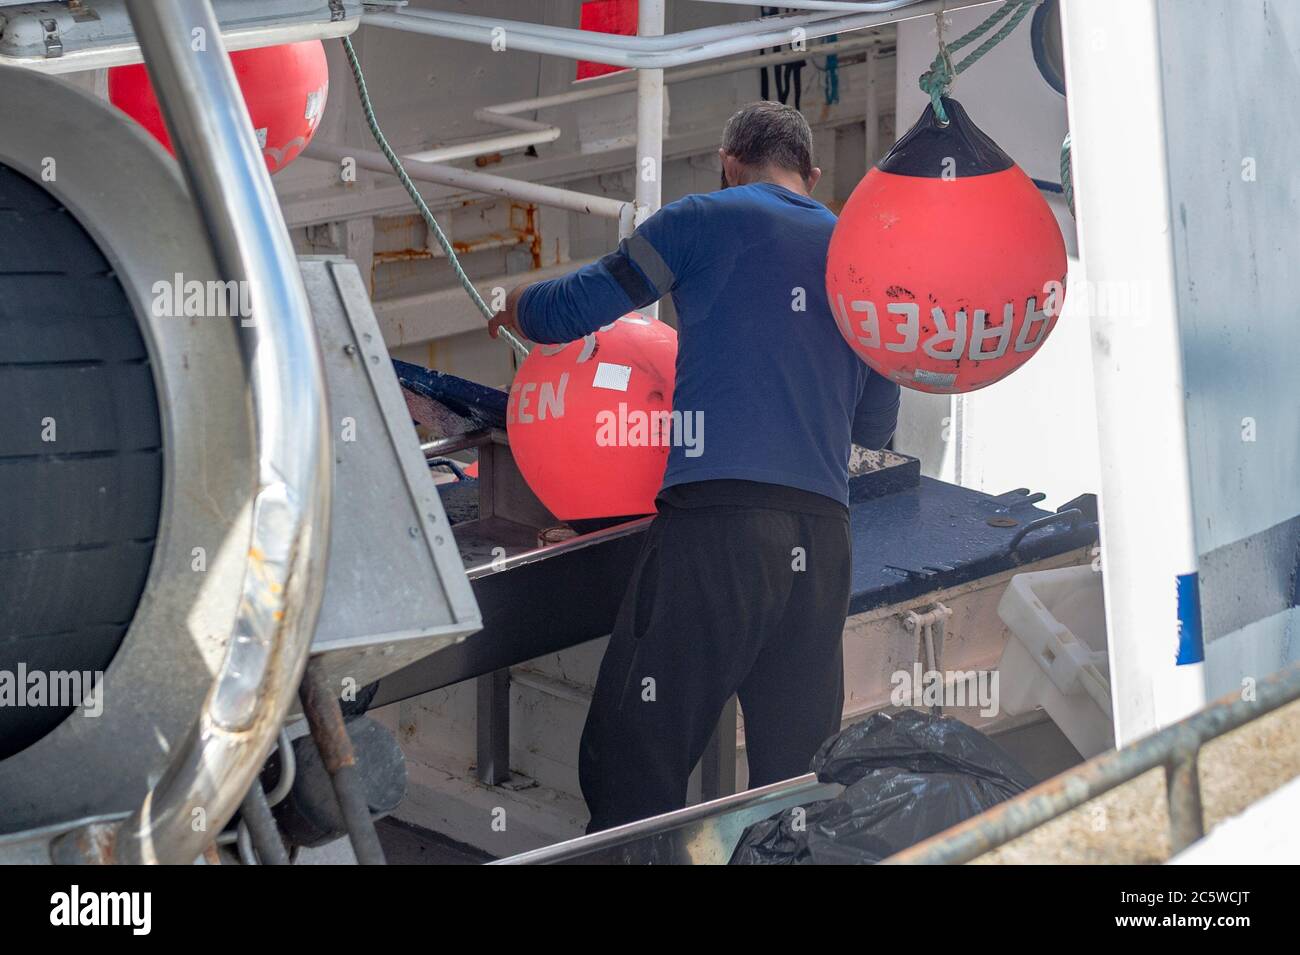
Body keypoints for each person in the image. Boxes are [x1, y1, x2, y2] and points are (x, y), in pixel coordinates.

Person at [489, 101, 901, 832]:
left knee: (634, 757)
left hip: (720, 531)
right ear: (809, 173)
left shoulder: (701, 218)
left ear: (727, 161)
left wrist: (515, 303)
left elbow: (571, 311)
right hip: (823, 543)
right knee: (796, 779)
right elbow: (875, 424)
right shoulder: (862, 256)